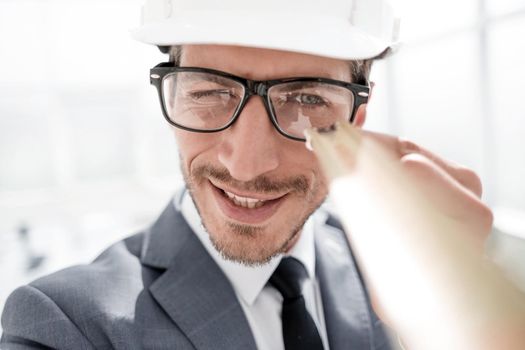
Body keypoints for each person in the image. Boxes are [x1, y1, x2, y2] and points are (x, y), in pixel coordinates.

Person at [0, 0, 497, 349]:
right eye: (209, 92)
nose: (247, 166)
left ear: (355, 123)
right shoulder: (61, 325)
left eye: (305, 99)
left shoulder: (391, 266)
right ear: (174, 100)